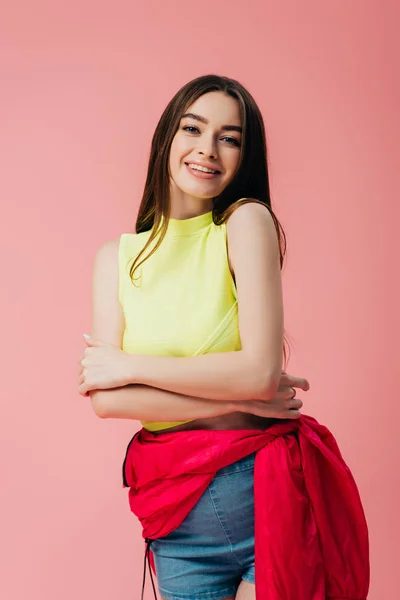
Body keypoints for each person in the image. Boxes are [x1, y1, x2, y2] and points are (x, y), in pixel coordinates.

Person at [78, 75, 369, 600]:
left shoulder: (245, 222)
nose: (208, 150)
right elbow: (105, 400)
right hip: (174, 516)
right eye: (194, 128)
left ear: (243, 153)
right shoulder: (114, 258)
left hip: (262, 495)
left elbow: (258, 370)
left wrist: (129, 365)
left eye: (229, 137)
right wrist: (241, 391)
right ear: (168, 135)